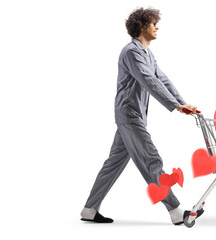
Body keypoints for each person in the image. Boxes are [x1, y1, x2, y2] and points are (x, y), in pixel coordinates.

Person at [80, 7, 203, 225]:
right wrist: (175, 106)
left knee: (113, 165)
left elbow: (162, 79)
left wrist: (182, 103)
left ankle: (89, 210)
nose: (157, 27)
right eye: (153, 23)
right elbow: (149, 80)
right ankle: (175, 211)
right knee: (151, 160)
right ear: (141, 26)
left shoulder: (147, 53)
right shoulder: (131, 52)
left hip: (133, 116)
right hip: (129, 115)